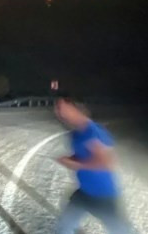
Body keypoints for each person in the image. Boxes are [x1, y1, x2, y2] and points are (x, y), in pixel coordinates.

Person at [54, 98, 132, 233]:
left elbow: (107, 163)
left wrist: (74, 163)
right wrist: (69, 159)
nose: (58, 112)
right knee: (64, 226)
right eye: (56, 108)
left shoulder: (93, 131)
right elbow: (84, 156)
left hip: (103, 196)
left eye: (62, 107)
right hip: (84, 192)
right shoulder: (75, 133)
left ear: (74, 107)